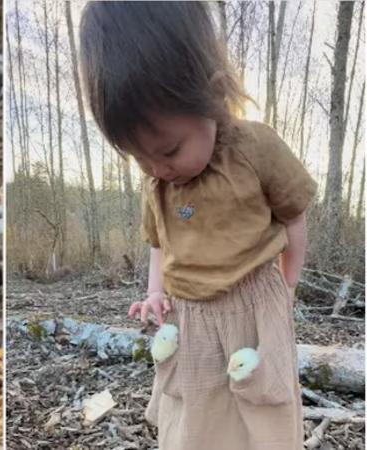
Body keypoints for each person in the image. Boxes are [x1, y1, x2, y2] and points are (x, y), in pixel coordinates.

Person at [79, 2, 315, 449]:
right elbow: (158, 242)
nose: (156, 169)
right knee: (196, 408)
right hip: (191, 313)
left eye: (168, 150)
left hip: (253, 300)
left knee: (263, 403)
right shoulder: (158, 183)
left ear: (211, 91)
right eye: (139, 157)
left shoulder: (255, 149)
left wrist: (288, 285)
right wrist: (155, 292)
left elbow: (294, 215)